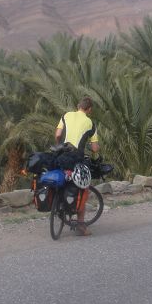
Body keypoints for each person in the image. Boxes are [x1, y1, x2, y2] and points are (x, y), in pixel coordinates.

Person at [54, 96, 99, 235]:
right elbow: (95, 148)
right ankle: (81, 226)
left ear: (78, 106)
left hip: (61, 155)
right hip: (76, 158)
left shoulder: (66, 115)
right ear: (89, 109)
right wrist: (94, 150)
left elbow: (57, 135)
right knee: (83, 188)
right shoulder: (90, 123)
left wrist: (60, 146)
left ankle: (59, 204)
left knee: (62, 179)